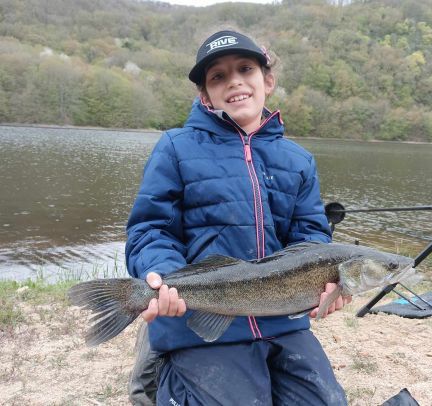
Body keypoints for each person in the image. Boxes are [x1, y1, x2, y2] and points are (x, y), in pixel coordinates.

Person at [125, 30, 351, 405]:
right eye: (218, 76)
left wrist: (329, 285)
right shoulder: (175, 147)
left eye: (245, 68)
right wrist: (162, 277)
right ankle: (156, 371)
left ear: (268, 80)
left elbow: (311, 240)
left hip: (284, 321)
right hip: (200, 321)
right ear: (205, 94)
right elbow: (151, 229)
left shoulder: (299, 161)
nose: (234, 81)